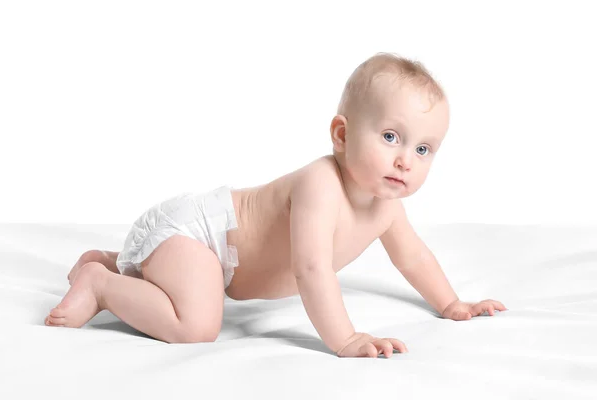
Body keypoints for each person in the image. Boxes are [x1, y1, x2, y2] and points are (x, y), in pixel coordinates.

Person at [44, 52, 507, 358]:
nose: (406, 160)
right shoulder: (320, 185)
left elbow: (414, 257)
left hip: (209, 260)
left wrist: (450, 303)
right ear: (342, 135)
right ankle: (102, 284)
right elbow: (312, 269)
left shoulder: (385, 207)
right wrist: (344, 338)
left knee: (198, 291)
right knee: (198, 327)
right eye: (390, 137)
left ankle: (121, 261)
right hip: (196, 236)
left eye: (424, 149)